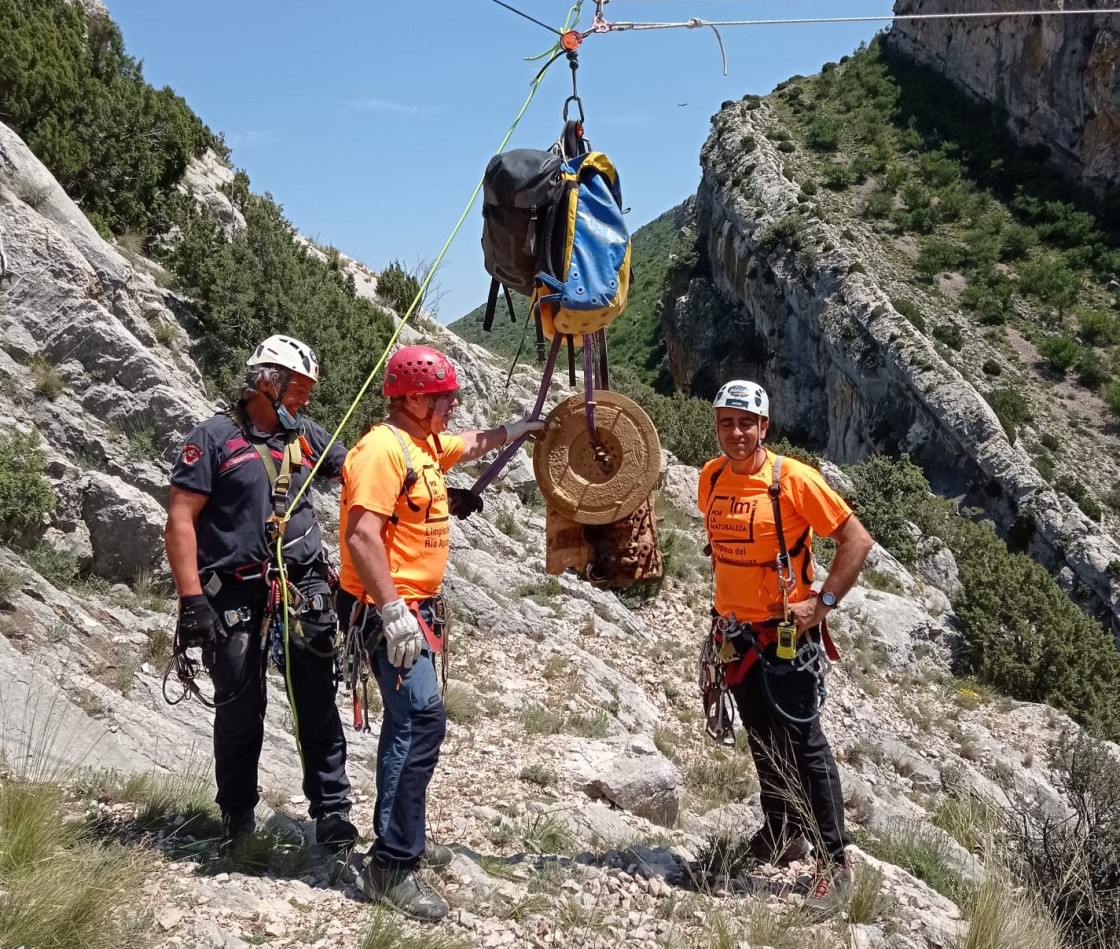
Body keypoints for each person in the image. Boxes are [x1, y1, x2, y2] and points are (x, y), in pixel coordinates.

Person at [339, 344, 543, 922]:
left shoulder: (421, 444)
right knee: (422, 722)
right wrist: (392, 611)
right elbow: (361, 535)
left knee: (409, 726)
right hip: (394, 617)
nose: (453, 406)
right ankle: (394, 863)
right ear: (415, 398)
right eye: (445, 397)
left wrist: (517, 429)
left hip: (411, 611)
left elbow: (472, 442)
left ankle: (398, 837)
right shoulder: (383, 448)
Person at [165, 334, 359, 851]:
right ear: (269, 382)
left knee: (316, 696)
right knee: (239, 705)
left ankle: (333, 812)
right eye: (300, 388)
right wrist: (192, 602)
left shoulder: (307, 435)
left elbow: (361, 473)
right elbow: (181, 519)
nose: (307, 399)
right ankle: (237, 817)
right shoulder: (212, 439)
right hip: (232, 590)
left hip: (302, 585)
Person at [697, 379, 873, 916]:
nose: (736, 432)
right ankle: (782, 831)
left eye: (746, 423)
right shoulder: (710, 477)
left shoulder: (793, 480)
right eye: (727, 422)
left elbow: (856, 540)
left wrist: (822, 603)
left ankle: (834, 858)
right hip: (736, 634)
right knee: (761, 735)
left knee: (804, 742)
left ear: (764, 427)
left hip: (786, 636)